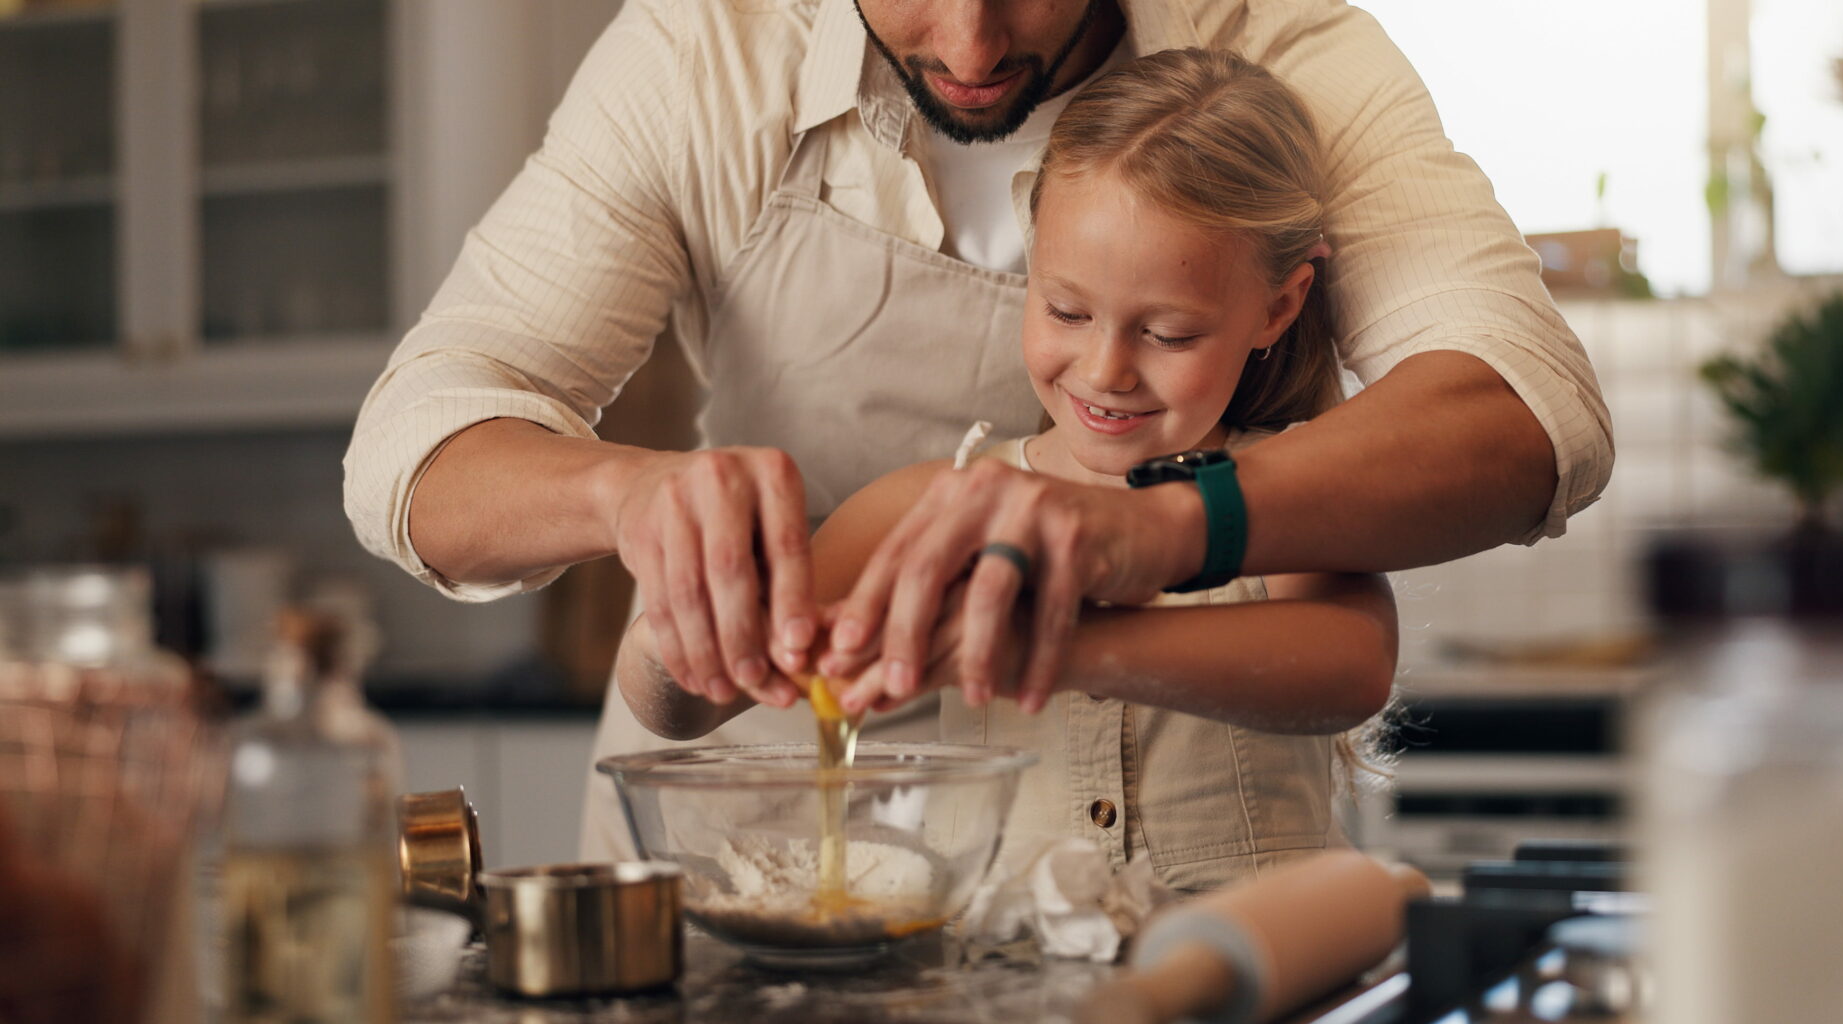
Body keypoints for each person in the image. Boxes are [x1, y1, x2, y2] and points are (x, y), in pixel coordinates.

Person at [342, 0, 1613, 860]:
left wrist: (1156, 531)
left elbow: (1524, 412)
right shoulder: (698, 50)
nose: (968, 42)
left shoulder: (1275, 37)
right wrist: (639, 506)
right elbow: (422, 438)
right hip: (758, 858)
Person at [622, 48, 1397, 889]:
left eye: (1169, 333)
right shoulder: (937, 509)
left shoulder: (1290, 494)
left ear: (1278, 307)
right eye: (1066, 309)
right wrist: (694, 614)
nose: (1106, 370)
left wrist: (1069, 646)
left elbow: (1351, 666)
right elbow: (677, 706)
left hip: (1256, 981)